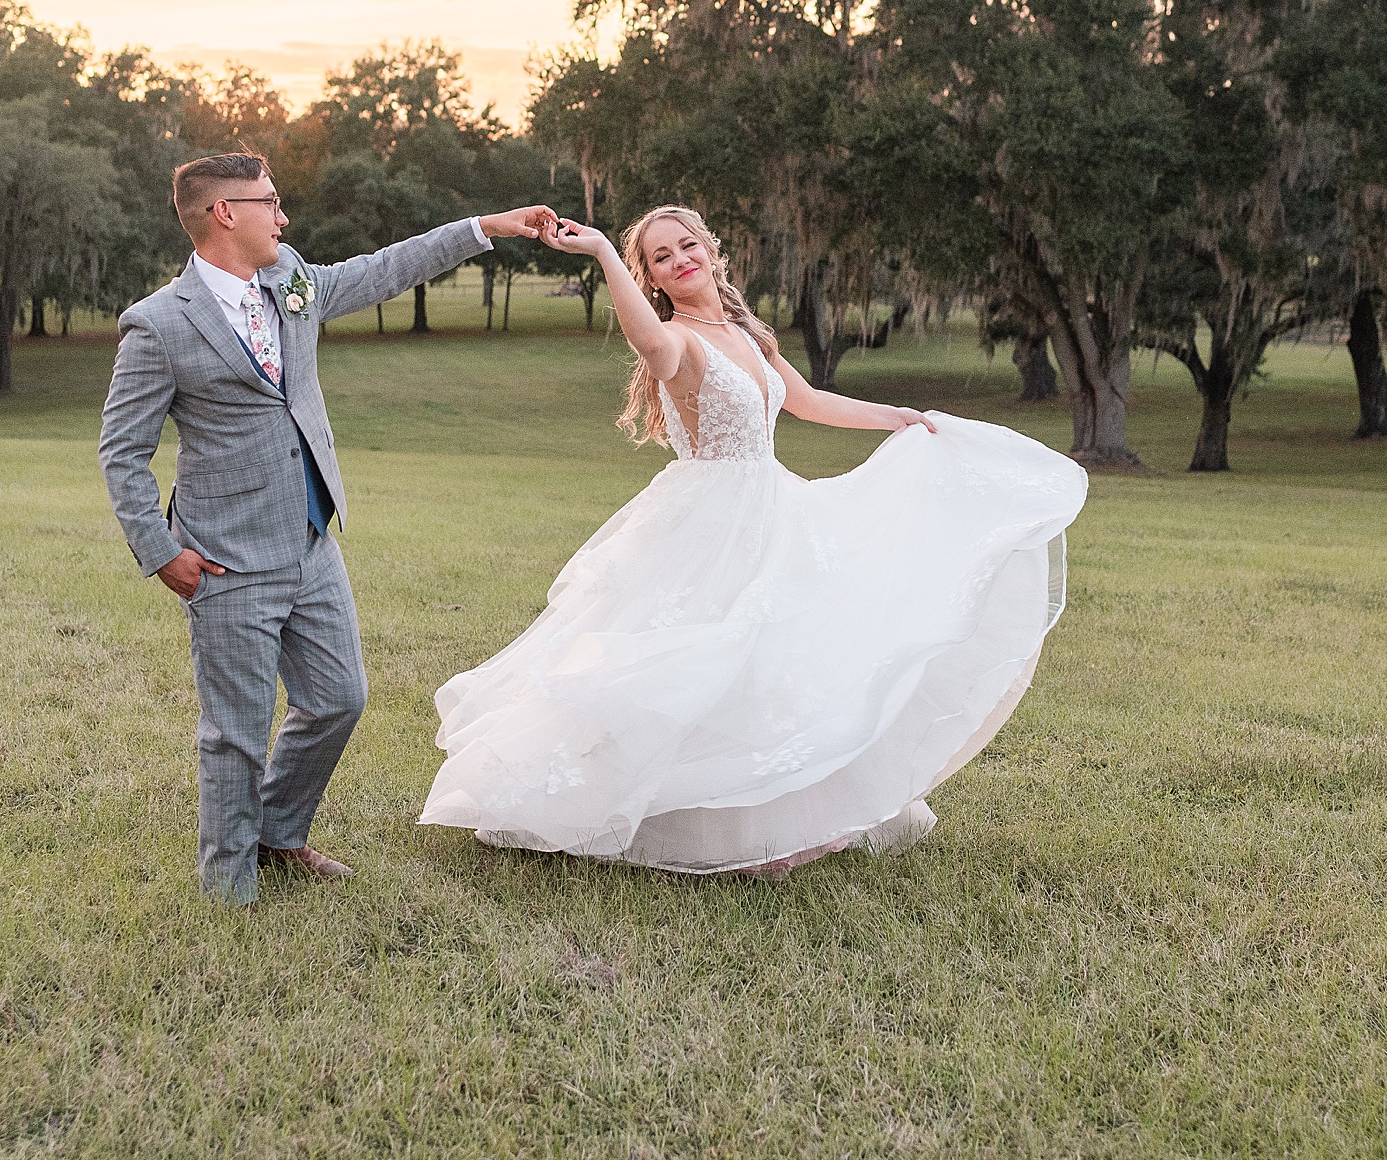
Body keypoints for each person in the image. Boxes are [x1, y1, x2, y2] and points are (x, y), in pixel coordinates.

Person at [418, 205, 1087, 878]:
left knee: (783, 661)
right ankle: (645, 810)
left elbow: (807, 401)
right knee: (700, 659)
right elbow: (649, 346)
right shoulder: (678, 339)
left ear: (710, 250)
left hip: (773, 503)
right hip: (709, 518)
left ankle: (791, 813)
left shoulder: (744, 329)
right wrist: (602, 253)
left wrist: (899, 417)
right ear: (650, 275)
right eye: (659, 256)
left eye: (686, 245)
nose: (678, 258)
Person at [98, 152, 557, 905]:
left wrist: (485, 227)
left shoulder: (293, 280)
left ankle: (279, 834)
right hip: (224, 559)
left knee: (340, 696)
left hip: (312, 542)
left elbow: (384, 269)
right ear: (225, 213)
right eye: (271, 203)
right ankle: (228, 888)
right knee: (235, 734)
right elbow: (122, 453)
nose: (284, 217)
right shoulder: (157, 326)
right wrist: (161, 552)